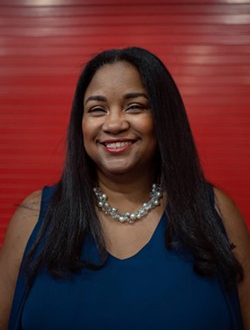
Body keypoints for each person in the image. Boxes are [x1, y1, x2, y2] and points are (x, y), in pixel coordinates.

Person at [0, 47, 249, 330]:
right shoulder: (34, 218)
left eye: (135, 106)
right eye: (97, 109)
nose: (115, 123)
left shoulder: (215, 212)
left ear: (163, 119)